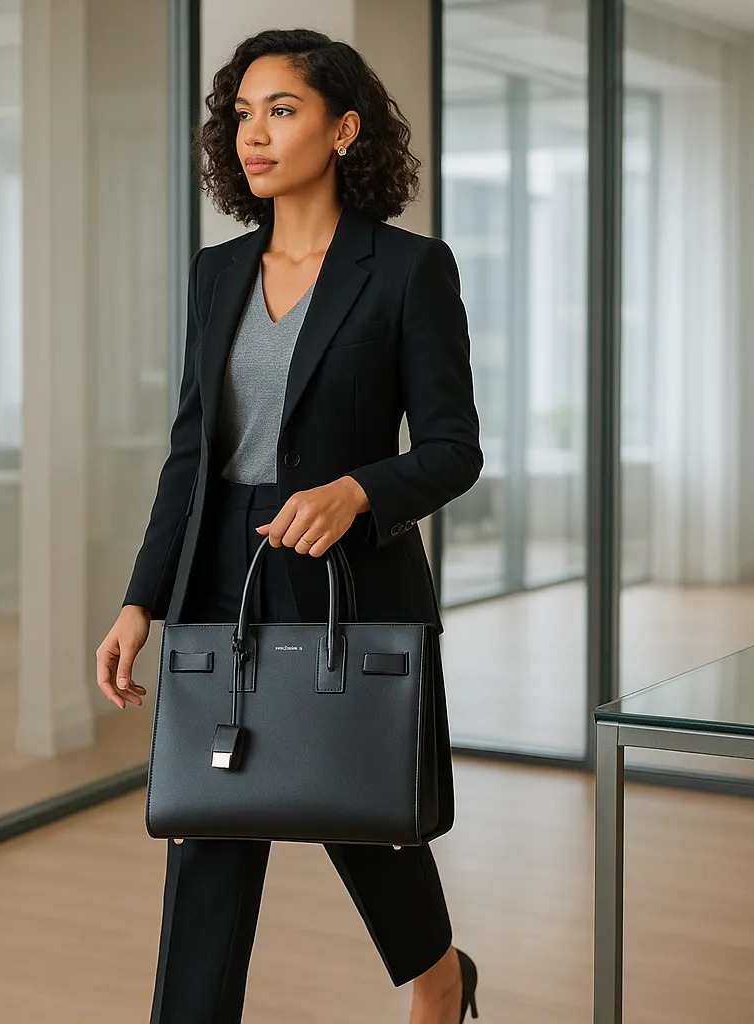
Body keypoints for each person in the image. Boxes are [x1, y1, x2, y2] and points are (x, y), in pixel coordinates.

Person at [94, 28, 484, 1024]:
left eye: (283, 110)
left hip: (344, 575)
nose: (253, 134)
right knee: (210, 824)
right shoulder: (217, 273)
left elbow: (452, 448)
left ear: (345, 128)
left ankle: (439, 976)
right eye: (242, 113)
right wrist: (142, 599)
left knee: (360, 814)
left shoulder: (406, 270)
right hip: (218, 574)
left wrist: (357, 491)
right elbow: (190, 454)